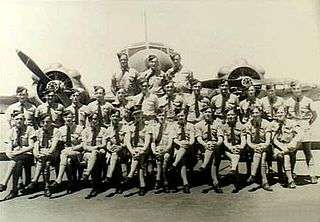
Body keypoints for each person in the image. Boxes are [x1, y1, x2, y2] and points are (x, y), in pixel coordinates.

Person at [285, 82, 318, 184]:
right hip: (293, 127)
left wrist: (307, 123)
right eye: (294, 89)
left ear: (301, 89)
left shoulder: (308, 101)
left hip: (304, 126)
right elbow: (285, 114)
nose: (296, 91)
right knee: (292, 152)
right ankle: (292, 173)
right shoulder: (288, 101)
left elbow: (314, 114)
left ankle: (312, 174)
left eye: (298, 89)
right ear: (292, 90)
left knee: (307, 151)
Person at [0, 111, 36, 200]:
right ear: (13, 120)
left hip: (28, 155)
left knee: (15, 160)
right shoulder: (11, 131)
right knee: (17, 162)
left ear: (24, 120)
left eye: (21, 119)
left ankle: (4, 183)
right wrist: (10, 153)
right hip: (18, 157)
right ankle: (14, 189)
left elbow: (31, 146)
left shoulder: (30, 129)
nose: (19, 121)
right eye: (17, 119)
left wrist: (17, 153)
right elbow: (9, 148)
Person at [23, 113, 60, 197]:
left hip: (53, 154)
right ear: (40, 123)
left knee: (43, 160)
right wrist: (36, 154)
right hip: (42, 154)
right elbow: (36, 146)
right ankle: (47, 187)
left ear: (51, 122)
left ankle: (34, 180)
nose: (46, 124)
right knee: (46, 164)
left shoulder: (56, 131)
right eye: (43, 122)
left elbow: (53, 147)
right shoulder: (38, 132)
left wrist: (44, 154)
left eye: (48, 122)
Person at [48, 110, 84, 194]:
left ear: (73, 118)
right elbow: (56, 141)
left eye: (70, 117)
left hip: (77, 152)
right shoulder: (61, 130)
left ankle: (59, 179)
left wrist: (73, 149)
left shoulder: (79, 128)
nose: (68, 119)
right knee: (67, 160)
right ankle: (70, 183)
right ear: (63, 118)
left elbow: (83, 144)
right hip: (66, 153)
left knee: (64, 153)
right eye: (66, 117)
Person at [123, 105, 152, 196]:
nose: (137, 116)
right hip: (133, 149)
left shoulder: (147, 126)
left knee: (138, 155)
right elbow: (127, 141)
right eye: (135, 115)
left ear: (142, 114)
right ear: (133, 116)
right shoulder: (130, 127)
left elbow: (147, 141)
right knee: (139, 161)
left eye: (139, 114)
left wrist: (142, 149)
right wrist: (132, 151)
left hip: (145, 149)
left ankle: (130, 174)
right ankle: (142, 186)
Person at [195, 108, 223, 193]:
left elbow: (220, 137)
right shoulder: (199, 125)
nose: (207, 114)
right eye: (206, 112)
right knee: (213, 158)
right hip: (204, 146)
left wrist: (217, 144)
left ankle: (204, 165)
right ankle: (215, 182)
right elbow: (199, 138)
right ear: (203, 113)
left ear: (212, 113)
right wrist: (205, 144)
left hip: (215, 146)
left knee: (212, 148)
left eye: (209, 112)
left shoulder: (217, 124)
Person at [271, 106, 300, 189]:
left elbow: (299, 134)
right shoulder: (273, 124)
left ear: (286, 113)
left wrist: (292, 144)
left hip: (289, 145)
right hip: (277, 147)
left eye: (282, 112)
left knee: (289, 155)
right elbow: (273, 139)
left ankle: (288, 175)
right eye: (278, 113)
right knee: (286, 156)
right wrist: (283, 148)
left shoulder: (292, 123)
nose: (280, 114)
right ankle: (290, 180)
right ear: (275, 114)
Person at [81, 112, 108, 199]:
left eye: (95, 119)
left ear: (98, 120)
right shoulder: (85, 131)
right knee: (93, 156)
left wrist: (96, 147)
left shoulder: (103, 130)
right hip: (88, 153)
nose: (93, 121)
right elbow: (84, 146)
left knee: (95, 155)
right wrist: (93, 149)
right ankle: (95, 186)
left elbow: (104, 144)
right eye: (91, 119)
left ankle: (88, 173)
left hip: (100, 152)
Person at [245, 107, 273, 191]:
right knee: (261, 155)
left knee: (262, 153)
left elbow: (268, 141)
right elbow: (248, 142)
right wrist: (255, 147)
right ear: (250, 114)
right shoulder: (248, 124)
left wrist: (262, 146)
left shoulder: (266, 123)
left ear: (260, 113)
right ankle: (265, 182)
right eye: (253, 113)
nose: (255, 115)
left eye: (257, 112)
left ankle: (253, 175)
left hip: (265, 146)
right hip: (253, 147)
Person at [220, 109, 246, 193]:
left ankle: (233, 170)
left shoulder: (241, 126)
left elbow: (243, 140)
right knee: (235, 155)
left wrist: (241, 147)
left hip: (238, 147)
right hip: (228, 148)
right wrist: (230, 147)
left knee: (236, 153)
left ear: (235, 116)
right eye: (228, 115)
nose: (230, 117)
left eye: (232, 115)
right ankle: (234, 172)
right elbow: (225, 141)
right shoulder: (223, 127)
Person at [169, 110, 195, 193]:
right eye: (179, 116)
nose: (181, 117)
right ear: (177, 117)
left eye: (182, 116)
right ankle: (185, 184)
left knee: (183, 149)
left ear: (185, 116)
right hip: (178, 148)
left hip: (189, 148)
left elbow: (192, 139)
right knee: (182, 160)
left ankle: (174, 165)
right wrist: (181, 144)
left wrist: (188, 144)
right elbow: (174, 139)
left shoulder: (190, 126)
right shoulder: (174, 126)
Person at [149, 109, 174, 193]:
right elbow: (152, 142)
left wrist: (165, 150)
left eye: (163, 115)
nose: (161, 117)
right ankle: (165, 182)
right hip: (157, 149)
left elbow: (170, 142)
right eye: (160, 115)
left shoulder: (170, 127)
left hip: (167, 149)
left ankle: (158, 179)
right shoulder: (153, 127)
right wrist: (154, 152)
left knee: (166, 157)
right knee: (159, 159)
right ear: (156, 116)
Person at [103, 109, 127, 194]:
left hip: (124, 150)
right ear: (110, 117)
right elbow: (106, 142)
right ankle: (119, 184)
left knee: (115, 156)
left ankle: (109, 176)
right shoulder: (108, 130)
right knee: (115, 156)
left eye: (117, 116)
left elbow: (127, 142)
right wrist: (109, 148)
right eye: (113, 116)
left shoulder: (124, 127)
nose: (115, 118)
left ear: (120, 117)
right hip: (112, 151)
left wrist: (121, 146)